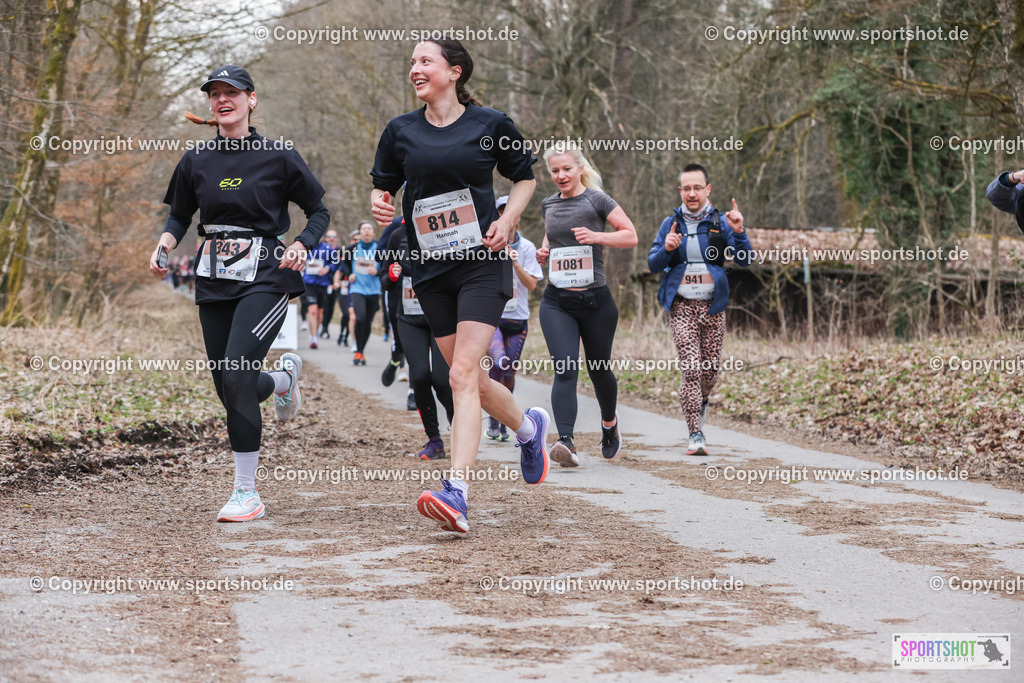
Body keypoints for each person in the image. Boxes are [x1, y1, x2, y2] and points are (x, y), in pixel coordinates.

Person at [371, 38, 549, 534]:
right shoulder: (400, 131)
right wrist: (381, 203)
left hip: (481, 263)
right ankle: (529, 428)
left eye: (424, 61)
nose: (414, 69)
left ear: (454, 72)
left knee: (461, 375)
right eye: (411, 62)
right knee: (472, 381)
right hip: (430, 270)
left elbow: (524, 177)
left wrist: (510, 218)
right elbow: (383, 186)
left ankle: (458, 492)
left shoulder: (489, 125)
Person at [149, 64, 329, 521]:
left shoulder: (279, 155)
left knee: (237, 372)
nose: (222, 99)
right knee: (229, 386)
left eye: (233, 92)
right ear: (211, 105)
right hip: (213, 277)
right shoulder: (196, 161)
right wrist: (164, 246)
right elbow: (180, 216)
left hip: (266, 275)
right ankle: (285, 380)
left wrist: (303, 245)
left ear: (252, 100)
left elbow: (318, 211)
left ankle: (246, 492)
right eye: (215, 93)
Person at [535, 143, 638, 466]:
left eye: (566, 168)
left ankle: (609, 424)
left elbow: (630, 235)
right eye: (555, 170)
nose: (561, 175)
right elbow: (553, 237)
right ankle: (566, 440)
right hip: (557, 301)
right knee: (565, 368)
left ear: (580, 168)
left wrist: (598, 237)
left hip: (596, 301)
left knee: (599, 369)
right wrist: (543, 252)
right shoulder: (548, 203)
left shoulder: (596, 199)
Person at [648, 163, 752, 456]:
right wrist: (667, 249)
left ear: (707, 190)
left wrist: (739, 231)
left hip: (714, 308)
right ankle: (695, 433)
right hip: (681, 307)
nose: (692, 194)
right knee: (691, 368)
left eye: (697, 188)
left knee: (709, 371)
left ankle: (702, 399)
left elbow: (744, 260)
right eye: (686, 188)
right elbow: (653, 263)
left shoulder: (721, 222)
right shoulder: (671, 223)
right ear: (680, 191)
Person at [379, 226, 454, 459]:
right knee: (420, 376)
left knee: (443, 380)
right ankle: (435, 440)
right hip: (410, 319)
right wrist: (391, 275)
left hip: (441, 318)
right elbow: (384, 279)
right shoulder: (398, 236)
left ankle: (459, 425)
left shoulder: (445, 229)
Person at [485, 195, 542, 442]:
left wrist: (516, 264)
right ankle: (493, 417)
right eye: (499, 211)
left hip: (518, 322)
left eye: (509, 211)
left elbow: (531, 285)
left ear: (517, 217)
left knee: (509, 372)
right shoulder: (486, 244)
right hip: (492, 319)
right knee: (499, 363)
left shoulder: (527, 248)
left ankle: (505, 418)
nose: (504, 216)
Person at [348, 221, 380, 365]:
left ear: (373, 232)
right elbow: (343, 265)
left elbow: (387, 266)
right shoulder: (352, 249)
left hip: (374, 290)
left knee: (367, 322)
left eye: (369, 229)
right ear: (360, 233)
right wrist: (349, 274)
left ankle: (361, 351)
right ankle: (358, 351)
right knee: (360, 317)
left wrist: (377, 272)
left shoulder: (381, 249)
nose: (366, 231)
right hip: (357, 289)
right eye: (364, 229)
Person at [301, 229, 338, 349]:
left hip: (322, 284)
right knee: (313, 310)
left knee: (320, 313)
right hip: (309, 283)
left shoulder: (327, 249)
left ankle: (315, 332)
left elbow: (335, 263)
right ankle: (313, 338)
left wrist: (327, 268)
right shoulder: (305, 247)